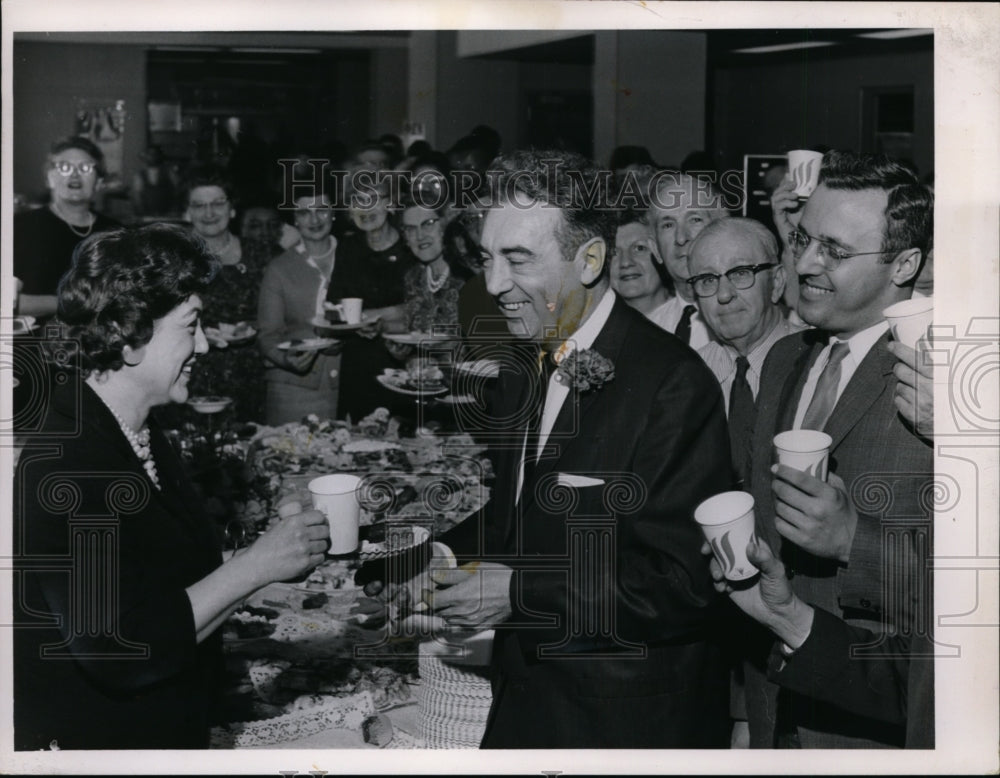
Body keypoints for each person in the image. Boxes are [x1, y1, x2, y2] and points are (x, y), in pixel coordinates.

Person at [393, 149, 734, 748]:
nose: (493, 284)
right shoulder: (527, 361)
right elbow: (518, 514)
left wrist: (519, 593)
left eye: (517, 260)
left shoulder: (673, 383)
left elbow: (684, 584)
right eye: (487, 259)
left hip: (619, 719)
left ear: (590, 260)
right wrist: (435, 556)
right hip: (528, 693)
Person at [12, 224, 329, 750]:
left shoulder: (137, 429)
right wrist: (257, 566)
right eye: (191, 325)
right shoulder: (70, 462)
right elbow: (119, 649)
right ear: (129, 335)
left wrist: (263, 554)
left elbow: (166, 581)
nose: (204, 344)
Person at [742, 150, 934, 748]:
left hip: (880, 724)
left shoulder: (938, 376)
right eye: (802, 239)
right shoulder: (782, 360)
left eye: (836, 250)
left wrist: (854, 540)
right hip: (778, 706)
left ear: (904, 264)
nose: (803, 263)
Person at [687, 218, 804, 486]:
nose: (724, 294)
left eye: (740, 273)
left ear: (776, 283)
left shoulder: (817, 362)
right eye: (707, 280)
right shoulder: (688, 376)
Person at [182, 168, 271, 422]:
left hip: (250, 372)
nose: (209, 213)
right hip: (191, 371)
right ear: (188, 212)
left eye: (218, 203)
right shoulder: (172, 258)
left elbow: (279, 312)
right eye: (199, 205)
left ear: (232, 209)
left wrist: (254, 326)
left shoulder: (261, 253)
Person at [329, 174, 417, 420]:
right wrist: (358, 323)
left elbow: (423, 308)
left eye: (375, 199)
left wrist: (371, 317)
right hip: (358, 366)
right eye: (357, 199)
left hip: (401, 364)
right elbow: (333, 307)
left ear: (391, 203)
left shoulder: (411, 246)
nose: (365, 208)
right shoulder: (348, 248)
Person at [257, 191, 343, 424]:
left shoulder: (353, 257)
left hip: (349, 386)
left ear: (333, 213)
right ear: (295, 219)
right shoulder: (279, 268)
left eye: (322, 210)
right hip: (293, 389)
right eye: (305, 212)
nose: (314, 220)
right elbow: (267, 335)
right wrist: (286, 360)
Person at [14, 136, 119, 319]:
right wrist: (72, 303)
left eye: (85, 167)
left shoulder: (115, 231)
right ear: (49, 179)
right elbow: (10, 300)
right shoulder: (23, 226)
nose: (75, 174)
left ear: (99, 182)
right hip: (39, 339)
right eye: (64, 167)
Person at [647, 171, 730, 348]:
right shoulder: (650, 331)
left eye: (695, 220)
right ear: (656, 249)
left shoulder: (746, 319)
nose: (681, 238)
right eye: (668, 225)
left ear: (723, 232)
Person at [610, 206, 674, 328]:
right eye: (614, 252)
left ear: (659, 251)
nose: (625, 262)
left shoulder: (691, 320)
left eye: (639, 248)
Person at [130, 145, 177, 217]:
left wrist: (173, 209)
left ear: (160, 155)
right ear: (145, 157)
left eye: (155, 154)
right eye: (150, 154)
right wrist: (142, 213)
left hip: (167, 214)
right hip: (147, 214)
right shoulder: (140, 175)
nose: (152, 157)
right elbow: (137, 197)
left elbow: (177, 191)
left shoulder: (169, 173)